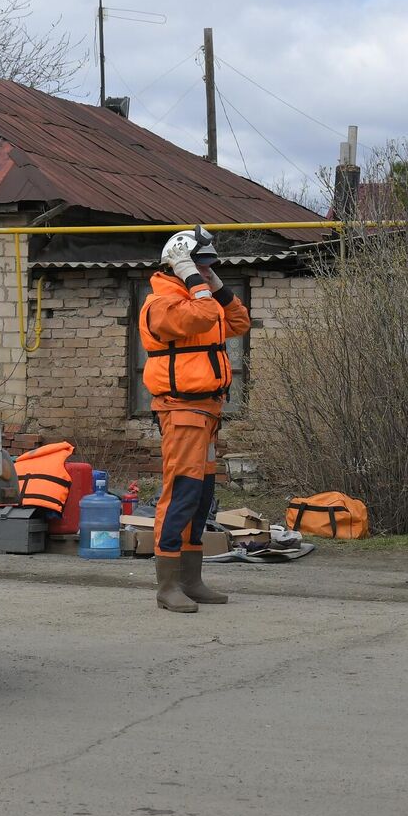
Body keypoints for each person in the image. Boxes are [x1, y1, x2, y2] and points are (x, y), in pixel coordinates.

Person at [138, 226, 250, 613]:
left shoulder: (198, 297)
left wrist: (215, 284)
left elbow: (238, 322)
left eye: (208, 266)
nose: (205, 272)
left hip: (208, 410)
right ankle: (167, 584)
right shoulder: (162, 304)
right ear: (179, 265)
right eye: (199, 265)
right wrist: (192, 278)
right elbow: (203, 315)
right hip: (181, 410)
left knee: (201, 496)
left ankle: (191, 579)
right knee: (181, 493)